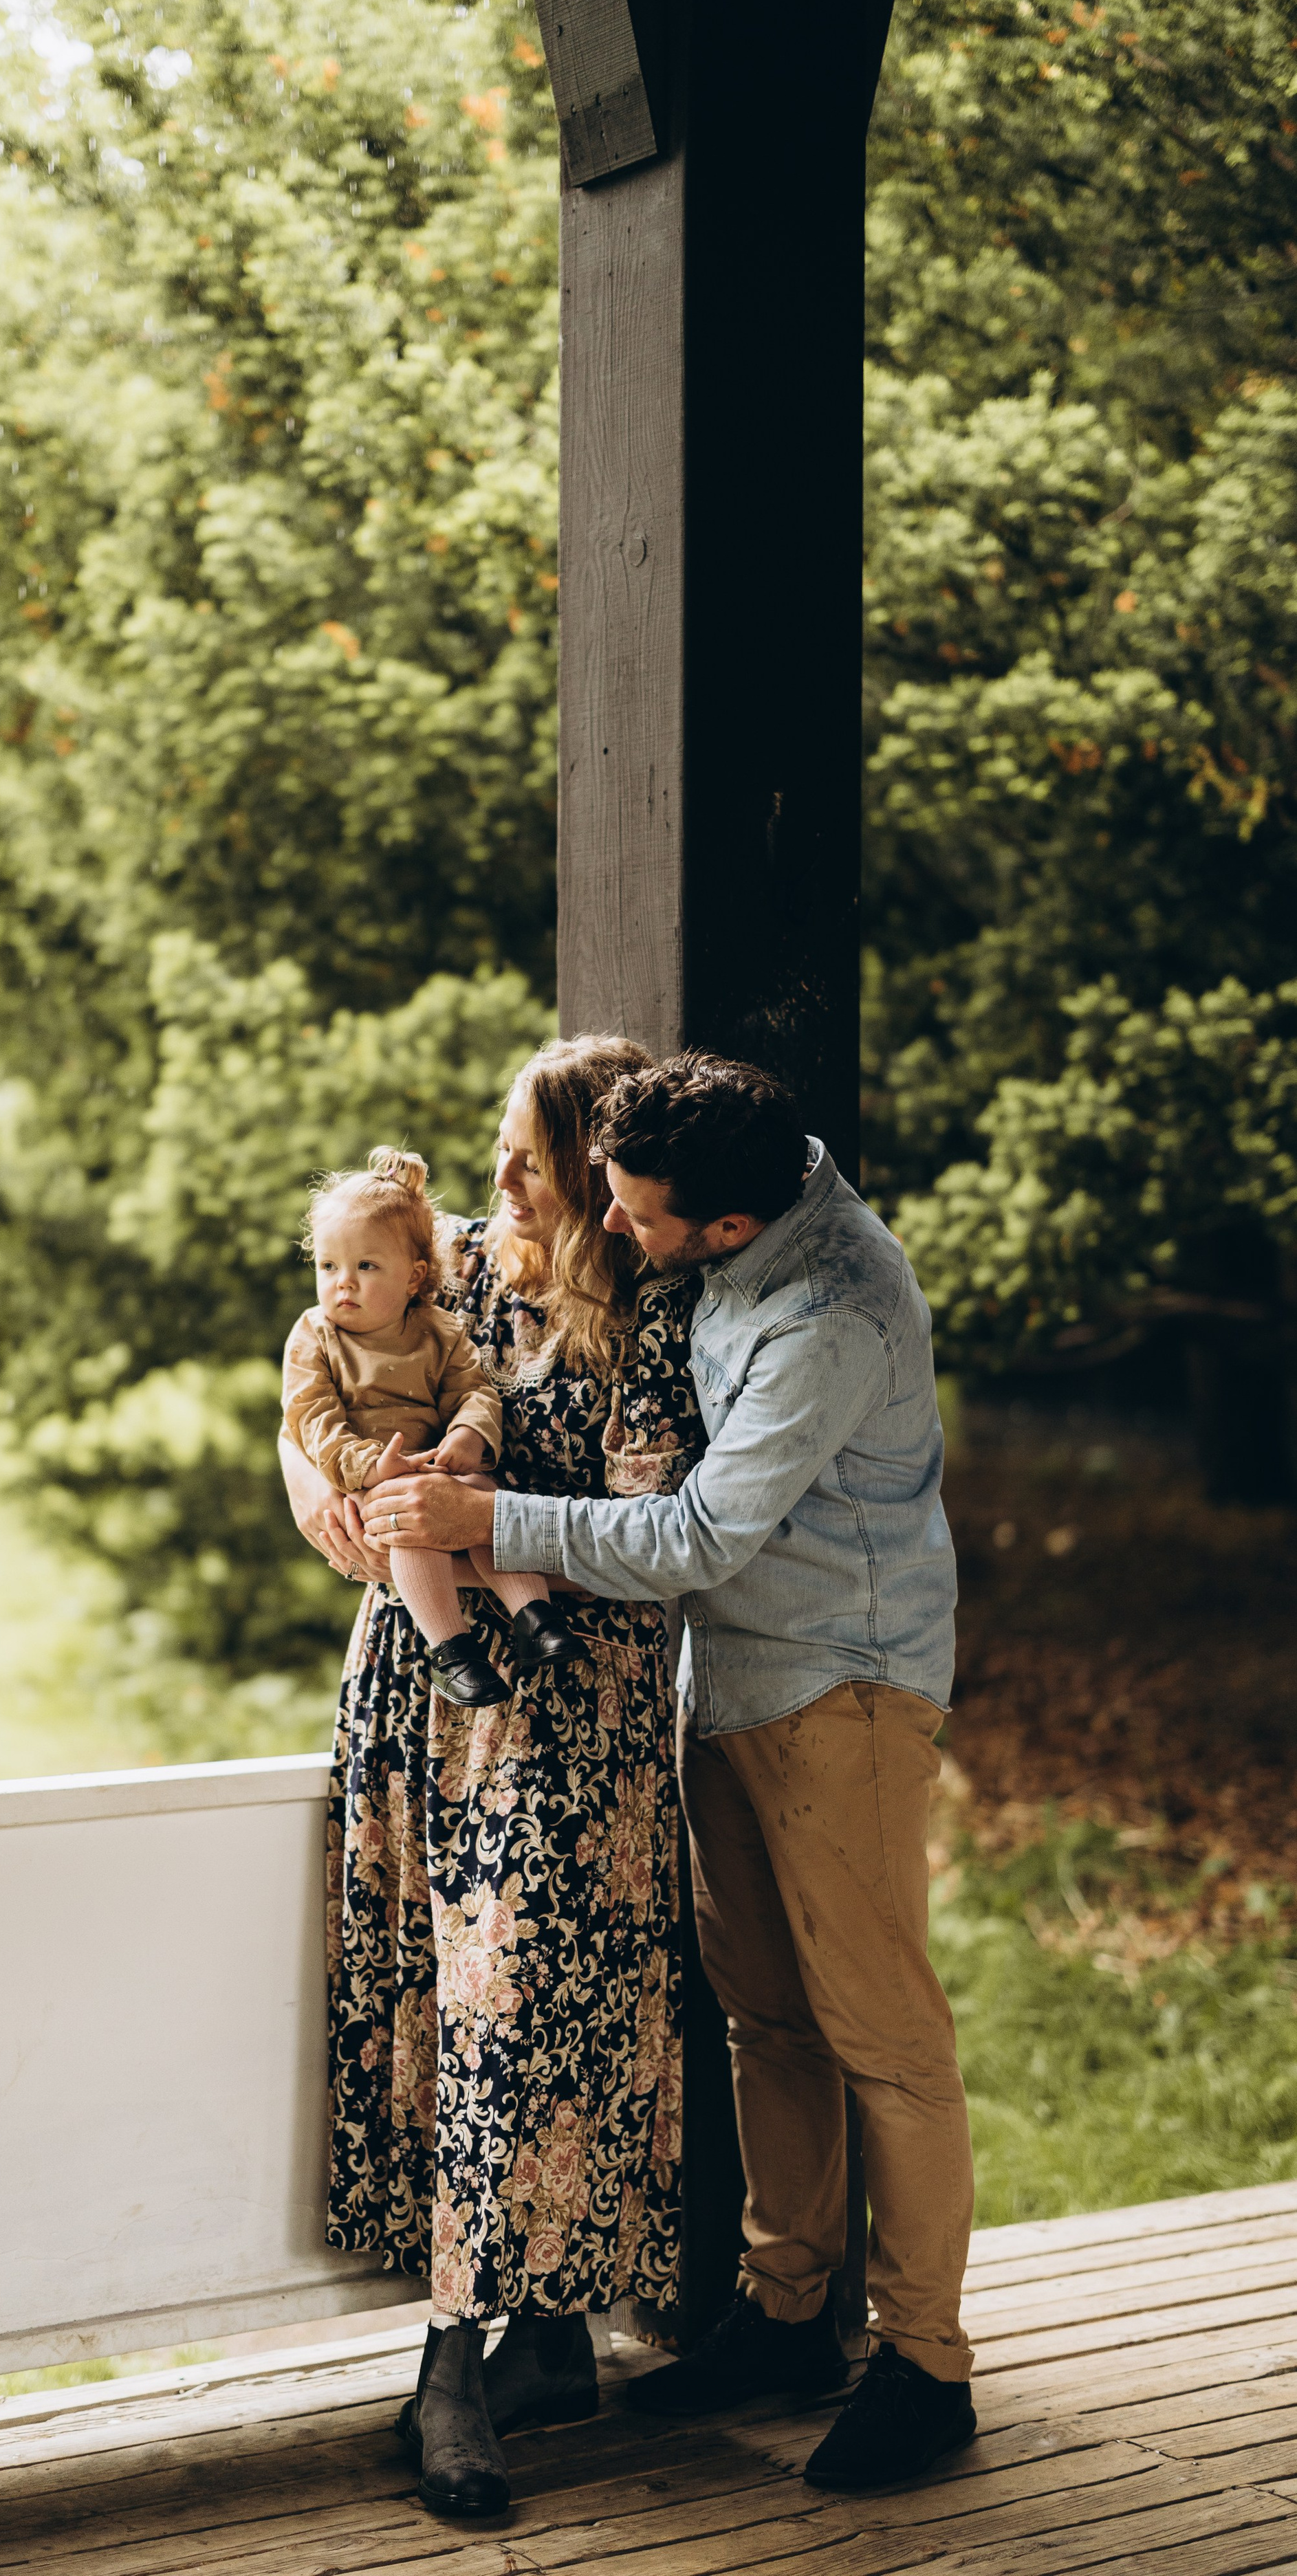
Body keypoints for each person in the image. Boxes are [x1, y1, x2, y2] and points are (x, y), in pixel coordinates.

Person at [361, 1052, 974, 2495]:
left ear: (725, 1234)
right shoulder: (741, 1172)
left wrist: (475, 1512)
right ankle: (782, 2315)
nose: (613, 1228)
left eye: (636, 1215)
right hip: (723, 1682)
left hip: (842, 1690)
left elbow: (695, 1540)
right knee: (767, 2015)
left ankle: (925, 2367)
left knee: (880, 2031)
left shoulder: (829, 1318)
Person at [280, 1035, 706, 2520]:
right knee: (427, 1999)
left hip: (569, 1702)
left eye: (526, 1154)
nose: (499, 1177)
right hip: (416, 1678)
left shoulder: (655, 1321)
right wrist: (320, 1497)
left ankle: (453, 2367)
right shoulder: (456, 1265)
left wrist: (478, 1508)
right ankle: (535, 2344)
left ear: (597, 1171)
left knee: (519, 2003)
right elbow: (310, 1358)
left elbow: (661, 1539)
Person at [281, 1145, 589, 1708]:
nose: (342, 1284)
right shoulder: (314, 1337)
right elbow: (311, 1419)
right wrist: (369, 1466)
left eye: (365, 1267)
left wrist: (468, 1438)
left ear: (414, 1276)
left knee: (489, 1504)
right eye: (328, 1267)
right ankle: (451, 1650)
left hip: (437, 1469)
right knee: (412, 1526)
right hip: (374, 1481)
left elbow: (474, 1392)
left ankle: (533, 1616)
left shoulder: (440, 1330)